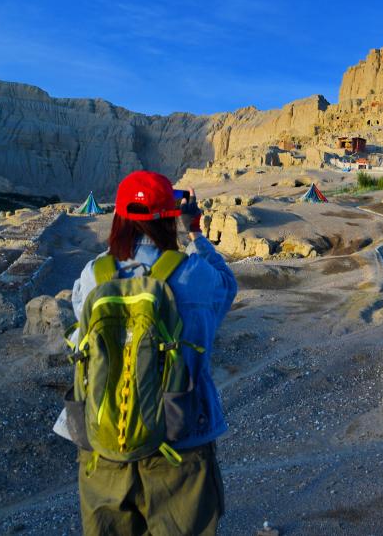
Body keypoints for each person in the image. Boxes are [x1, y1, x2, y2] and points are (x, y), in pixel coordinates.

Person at [68, 171, 237, 535]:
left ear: (119, 219)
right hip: (180, 441)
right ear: (169, 217)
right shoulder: (194, 274)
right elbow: (227, 285)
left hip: (103, 445)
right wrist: (195, 232)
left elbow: (79, 325)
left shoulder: (93, 275)